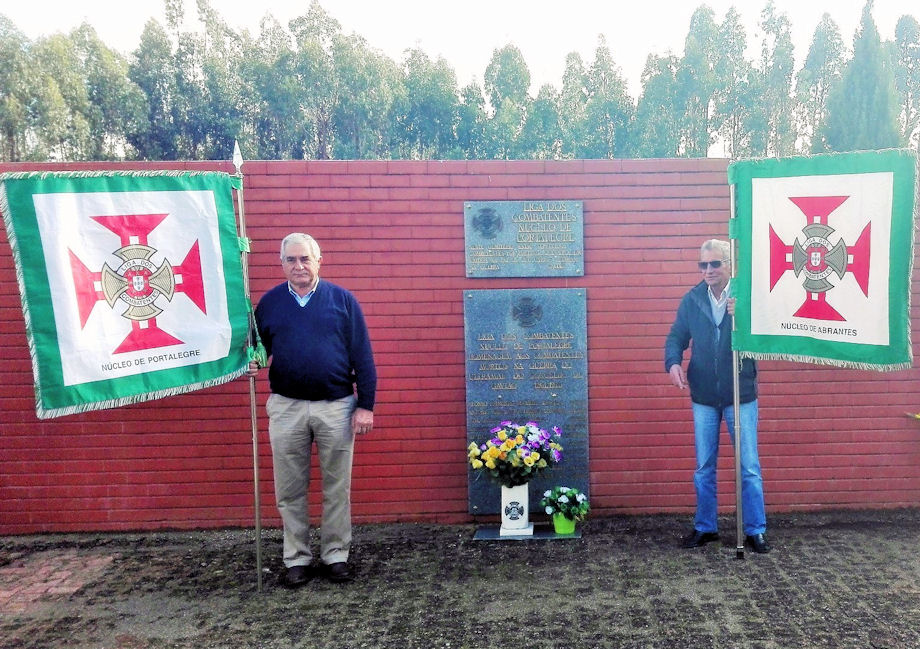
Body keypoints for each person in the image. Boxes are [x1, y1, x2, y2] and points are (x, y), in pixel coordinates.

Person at [248, 232, 377, 587]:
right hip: (287, 407)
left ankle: (335, 555)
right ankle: (297, 558)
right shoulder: (270, 303)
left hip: (336, 407)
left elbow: (363, 355)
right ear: (282, 264)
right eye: (291, 260)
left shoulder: (342, 300)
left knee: (337, 487)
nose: (299, 266)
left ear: (319, 261)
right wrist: (251, 361)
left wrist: (365, 405)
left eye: (305, 258)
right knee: (289, 488)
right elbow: (258, 348)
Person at [664, 239, 770, 554]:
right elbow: (676, 336)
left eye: (715, 263)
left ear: (729, 264)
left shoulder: (745, 297)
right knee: (704, 466)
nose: (708, 270)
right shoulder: (692, 299)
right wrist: (672, 362)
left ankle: (755, 530)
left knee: (748, 466)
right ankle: (705, 527)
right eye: (703, 264)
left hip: (741, 394)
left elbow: (764, 337)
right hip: (704, 396)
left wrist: (745, 317)